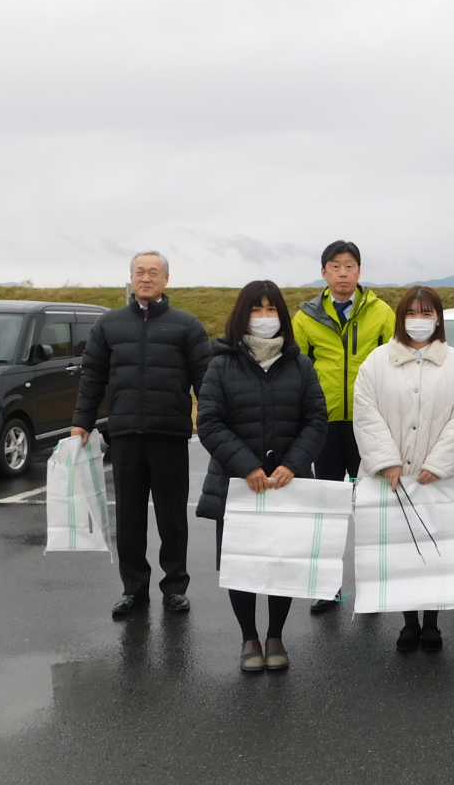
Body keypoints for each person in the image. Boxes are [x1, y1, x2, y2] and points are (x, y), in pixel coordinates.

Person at [194, 282, 328, 672]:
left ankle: (276, 635)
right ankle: (248, 637)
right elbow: (209, 422)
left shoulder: (300, 365)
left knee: (281, 563)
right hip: (238, 484)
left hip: (288, 484)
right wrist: (246, 465)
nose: (265, 317)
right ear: (242, 314)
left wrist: (294, 464)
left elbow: (316, 421)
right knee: (243, 563)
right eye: (257, 309)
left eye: (272, 309)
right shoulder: (221, 364)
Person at [71, 251, 212, 618]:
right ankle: (134, 590)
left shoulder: (187, 325)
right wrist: (82, 421)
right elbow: (92, 377)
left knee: (172, 517)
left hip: (169, 434)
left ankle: (175, 588)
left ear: (166, 279)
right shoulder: (109, 325)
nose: (146, 278)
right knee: (130, 518)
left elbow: (206, 383)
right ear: (131, 278)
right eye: (139, 272)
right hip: (125, 436)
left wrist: (214, 423)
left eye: (154, 272)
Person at [354, 286, 454, 652]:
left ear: (437, 318)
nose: (419, 321)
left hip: (439, 477)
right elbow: (366, 413)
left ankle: (433, 624)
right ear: (400, 317)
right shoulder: (376, 362)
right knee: (400, 551)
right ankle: (408, 622)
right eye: (412, 313)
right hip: (391, 477)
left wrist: (440, 464)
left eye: (427, 313)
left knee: (436, 548)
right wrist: (386, 461)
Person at [292, 239, 396, 614]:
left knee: (372, 508)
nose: (342, 273)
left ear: (359, 271)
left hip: (370, 424)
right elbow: (296, 371)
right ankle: (329, 586)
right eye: (335, 266)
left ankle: (371, 586)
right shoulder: (304, 316)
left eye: (349, 266)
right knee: (330, 508)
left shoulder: (381, 312)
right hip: (324, 424)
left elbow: (393, 364)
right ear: (323, 272)